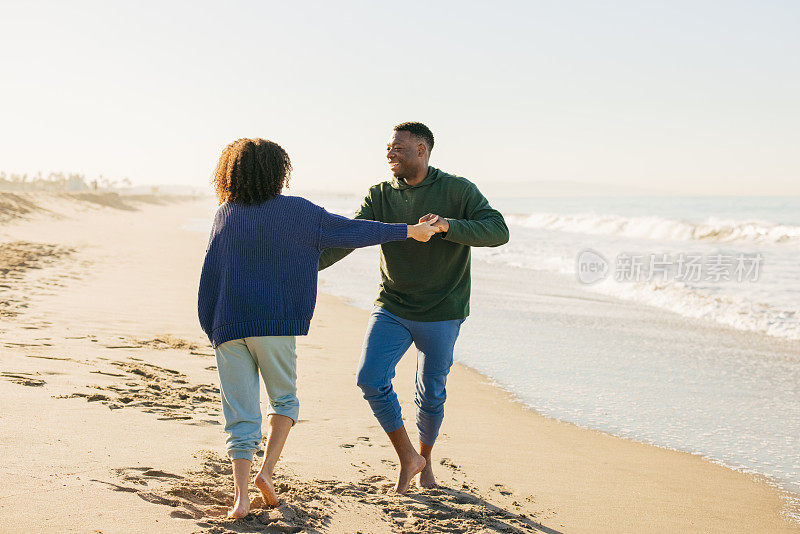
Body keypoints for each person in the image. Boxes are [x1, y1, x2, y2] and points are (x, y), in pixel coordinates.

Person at [198, 138, 441, 518]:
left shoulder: (225, 213)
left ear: (232, 173)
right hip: (274, 326)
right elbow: (354, 231)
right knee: (284, 402)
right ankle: (266, 472)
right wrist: (410, 230)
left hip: (227, 326)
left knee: (240, 414)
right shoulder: (298, 212)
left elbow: (210, 274)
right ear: (279, 172)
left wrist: (212, 326)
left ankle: (241, 498)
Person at [319, 122, 510, 493]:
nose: (390, 154)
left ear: (421, 151)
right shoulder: (380, 194)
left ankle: (426, 461)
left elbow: (498, 229)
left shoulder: (457, 189)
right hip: (392, 305)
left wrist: (446, 225)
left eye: (398, 149)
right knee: (370, 379)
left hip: (443, 309)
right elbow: (353, 235)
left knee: (431, 393)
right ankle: (408, 455)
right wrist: (306, 266)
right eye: (388, 148)